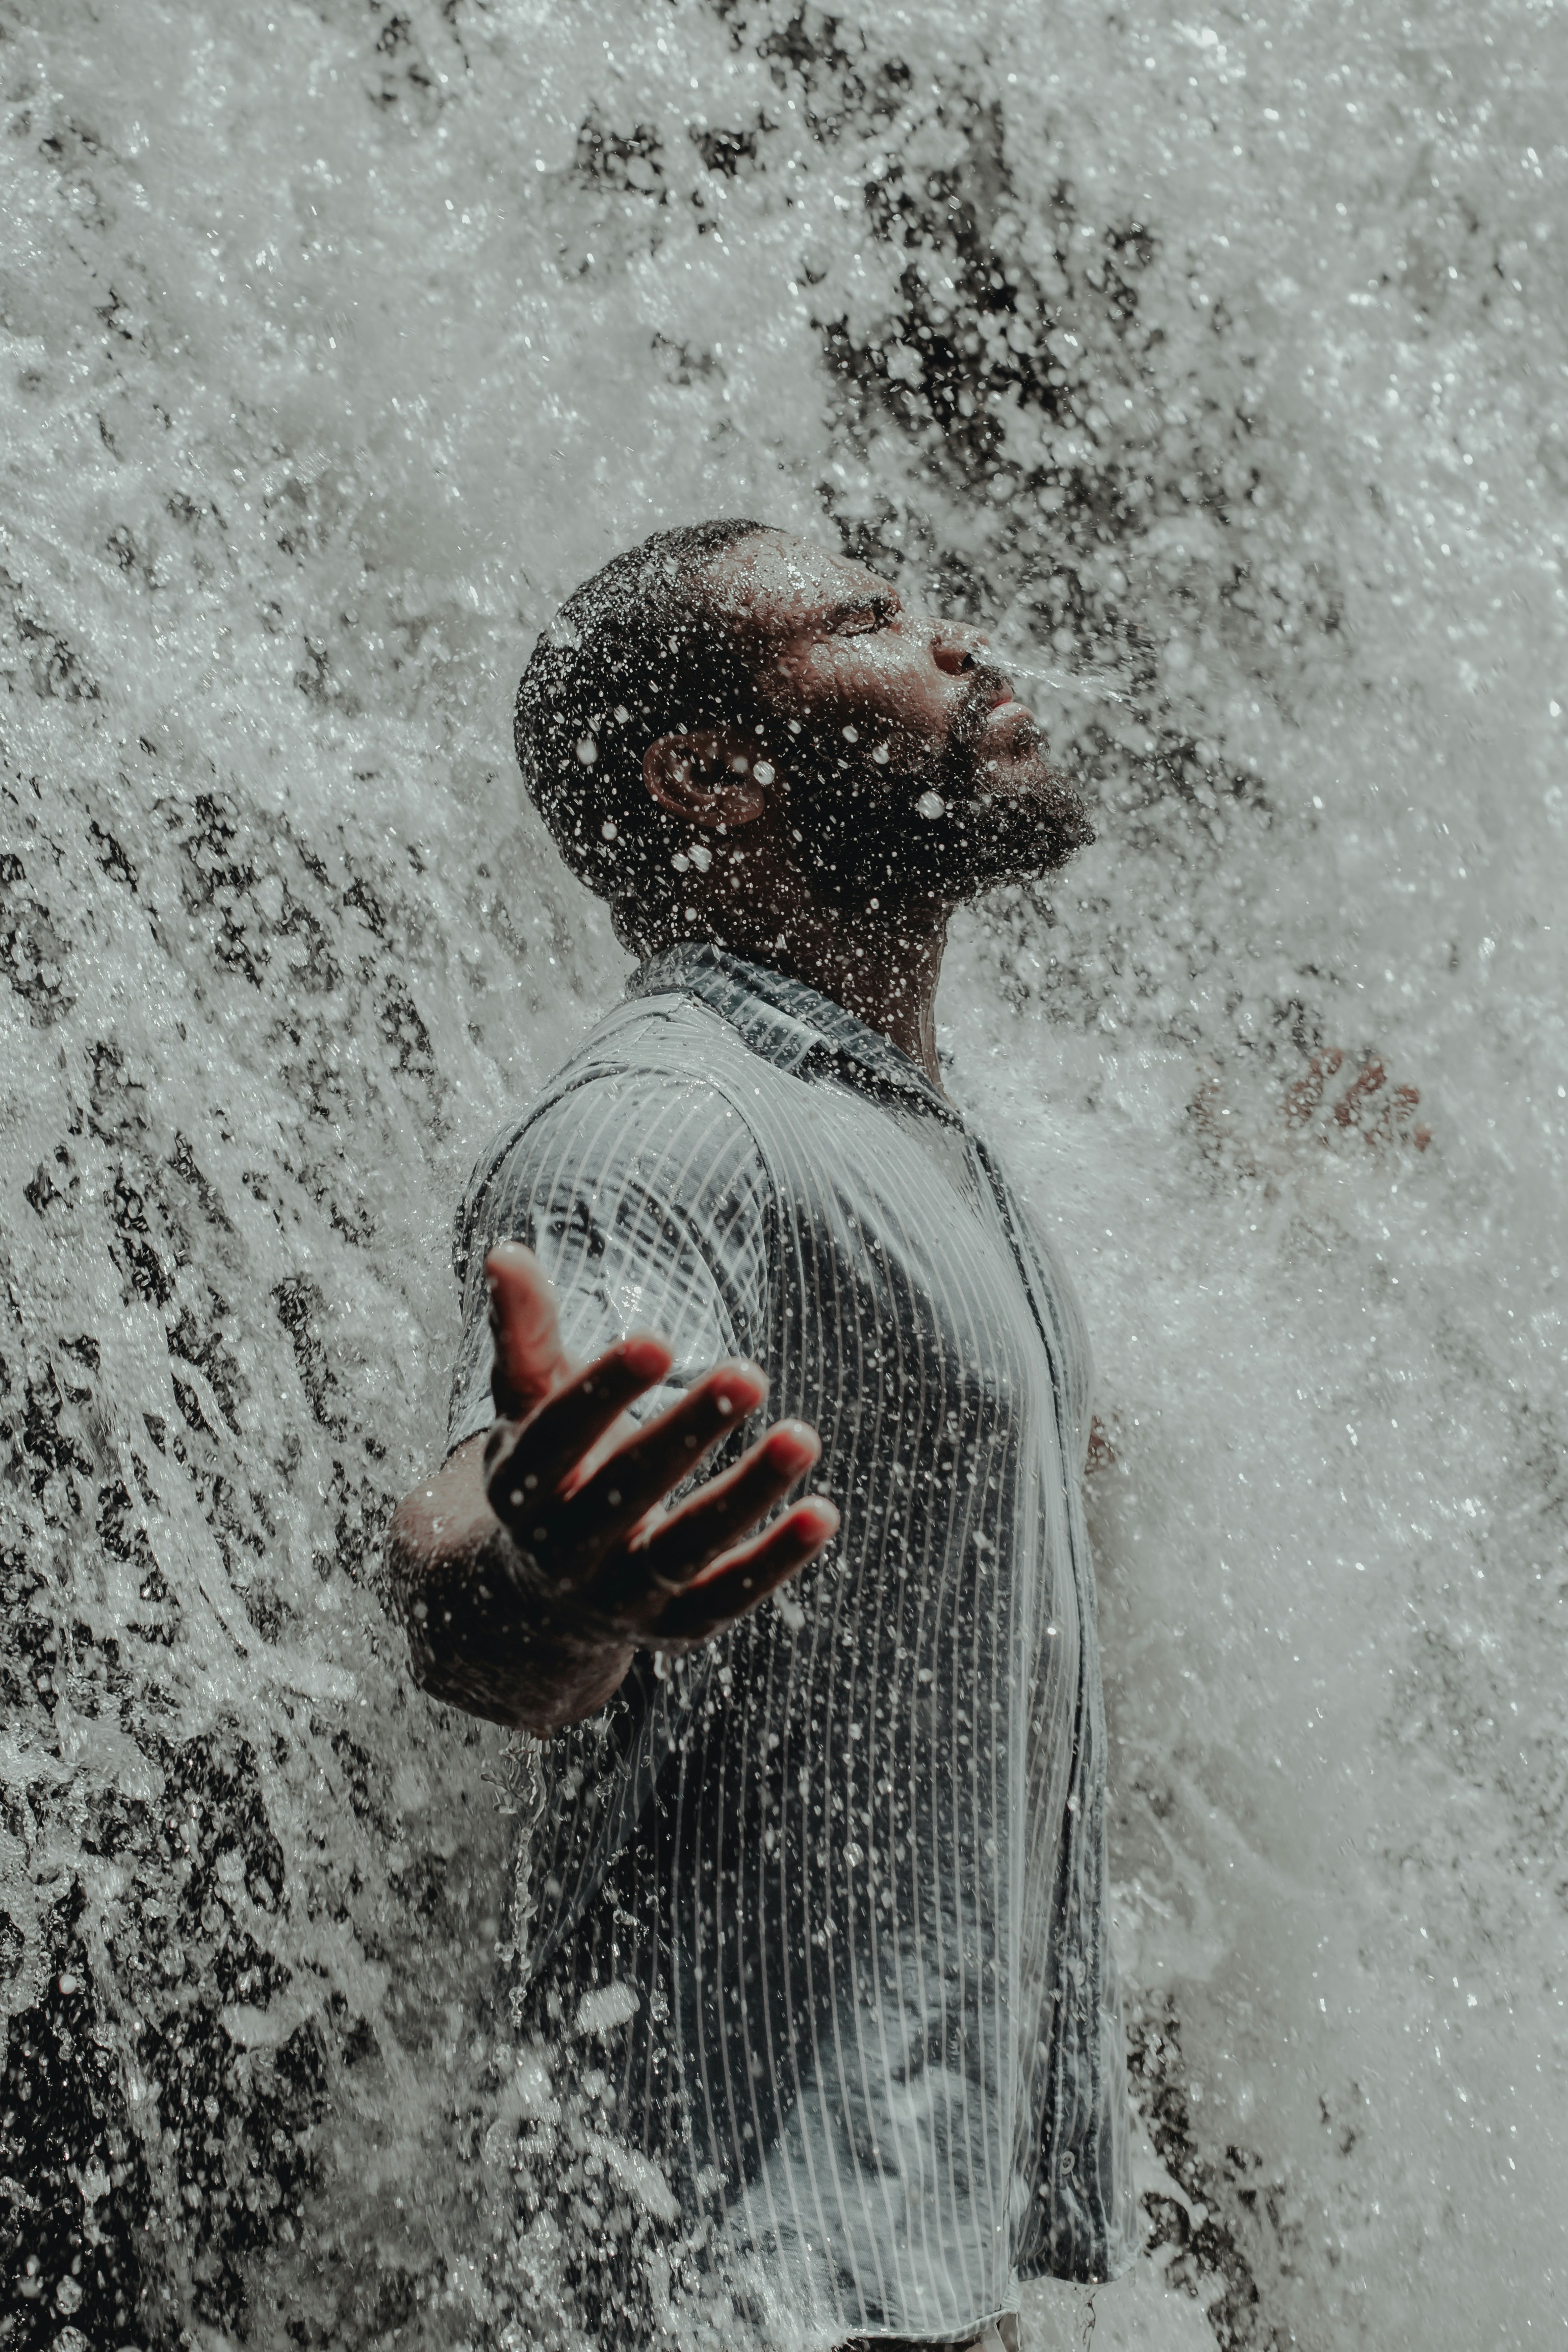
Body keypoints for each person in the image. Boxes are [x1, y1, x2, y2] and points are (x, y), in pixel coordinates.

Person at [387, 521, 1137, 2350]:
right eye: (867, 618)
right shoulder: (668, 1127)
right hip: (728, 2285)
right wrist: (543, 1576)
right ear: (709, 774)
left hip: (886, 2271)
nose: (954, 638)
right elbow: (476, 1563)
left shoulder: (895, 1129)